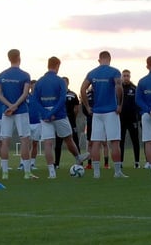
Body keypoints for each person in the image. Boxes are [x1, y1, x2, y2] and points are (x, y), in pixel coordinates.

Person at [32, 57, 86, 179]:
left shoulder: (40, 81)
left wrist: (45, 113)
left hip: (45, 115)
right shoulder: (60, 81)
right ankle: (78, 158)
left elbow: (35, 100)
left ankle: (52, 173)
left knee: (48, 143)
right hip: (59, 114)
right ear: (57, 66)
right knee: (68, 138)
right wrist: (52, 113)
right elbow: (62, 99)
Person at [80, 50, 127, 178]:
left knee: (95, 142)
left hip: (97, 112)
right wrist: (120, 104)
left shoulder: (92, 73)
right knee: (115, 142)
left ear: (99, 60)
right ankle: (117, 172)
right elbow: (119, 87)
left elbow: (82, 89)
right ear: (110, 59)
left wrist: (87, 106)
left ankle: (96, 173)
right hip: (111, 111)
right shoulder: (114, 71)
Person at [0, 49, 34, 180]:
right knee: (24, 140)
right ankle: (27, 173)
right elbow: (25, 93)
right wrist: (15, 105)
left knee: (5, 140)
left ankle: (5, 173)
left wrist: (9, 105)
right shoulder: (25, 75)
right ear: (19, 58)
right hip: (21, 110)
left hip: (6, 111)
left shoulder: (1, 75)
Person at [119, 69, 141, 169]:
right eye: (124, 76)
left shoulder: (135, 89)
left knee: (135, 141)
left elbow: (139, 104)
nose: (126, 77)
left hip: (132, 119)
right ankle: (120, 162)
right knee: (121, 141)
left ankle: (137, 162)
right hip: (121, 119)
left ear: (130, 77)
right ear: (121, 77)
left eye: (128, 75)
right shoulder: (118, 89)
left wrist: (138, 116)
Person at [59, 76, 83, 167]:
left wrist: (73, 117)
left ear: (68, 83)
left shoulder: (72, 94)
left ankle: (79, 160)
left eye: (65, 82)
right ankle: (56, 164)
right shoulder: (58, 93)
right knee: (59, 142)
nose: (64, 84)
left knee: (75, 140)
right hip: (60, 120)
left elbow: (76, 108)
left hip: (71, 120)